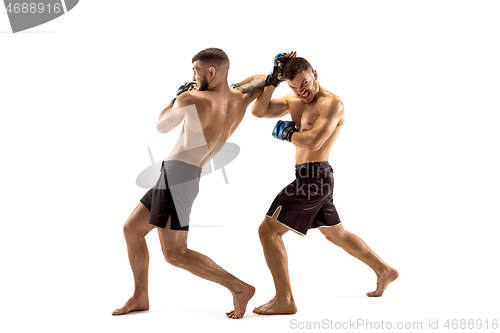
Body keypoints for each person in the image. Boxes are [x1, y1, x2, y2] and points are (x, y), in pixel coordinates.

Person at [112, 48, 267, 319]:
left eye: (196, 70)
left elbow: (161, 126)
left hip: (177, 176)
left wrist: (176, 98)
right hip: (183, 175)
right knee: (132, 229)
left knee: (175, 254)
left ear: (211, 72)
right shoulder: (240, 98)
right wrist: (276, 74)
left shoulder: (191, 98)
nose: (192, 75)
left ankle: (238, 287)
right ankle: (140, 296)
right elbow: (262, 79)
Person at [251, 52, 399, 315]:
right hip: (310, 177)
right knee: (336, 234)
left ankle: (285, 300)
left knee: (268, 231)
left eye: (304, 84)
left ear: (315, 74)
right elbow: (259, 111)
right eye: (294, 87)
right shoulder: (294, 99)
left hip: (315, 178)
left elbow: (313, 142)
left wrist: (288, 133)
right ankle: (384, 269)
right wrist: (272, 81)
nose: (301, 92)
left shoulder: (332, 104)